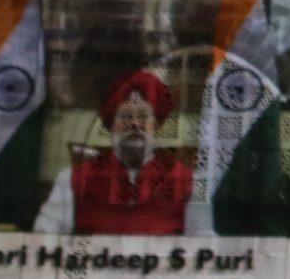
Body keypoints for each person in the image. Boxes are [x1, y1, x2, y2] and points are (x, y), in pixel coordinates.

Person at [34, 69, 190, 236]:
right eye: (126, 116)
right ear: (111, 124)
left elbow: (202, 240)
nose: (135, 123)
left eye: (143, 116)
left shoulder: (186, 180)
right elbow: (44, 234)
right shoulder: (73, 178)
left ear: (155, 124)